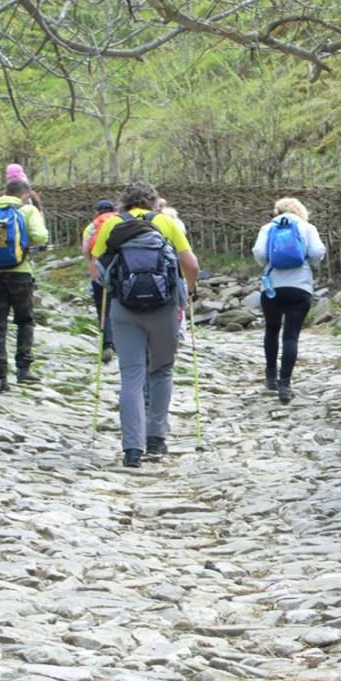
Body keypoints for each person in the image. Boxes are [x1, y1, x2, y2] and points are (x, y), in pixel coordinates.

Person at [91, 179, 199, 466]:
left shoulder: (112, 224)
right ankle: (156, 439)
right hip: (164, 308)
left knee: (132, 375)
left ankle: (132, 449)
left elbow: (96, 263)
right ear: (152, 201)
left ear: (124, 201)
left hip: (124, 309)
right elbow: (191, 264)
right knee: (161, 371)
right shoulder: (166, 222)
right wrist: (188, 291)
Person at [0, 168, 49, 392]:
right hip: (19, 270)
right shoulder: (26, 210)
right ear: (25, 194)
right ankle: (23, 369)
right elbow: (41, 237)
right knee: (24, 319)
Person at [252, 197, 328, 404]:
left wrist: (269, 262)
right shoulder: (307, 227)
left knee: (272, 329)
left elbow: (258, 253)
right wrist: (308, 263)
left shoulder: (268, 228)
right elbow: (317, 252)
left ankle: (270, 376)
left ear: (277, 211)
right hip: (299, 286)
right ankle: (285, 385)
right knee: (291, 336)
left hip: (272, 287)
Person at [83, 198, 122, 364]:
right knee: (119, 307)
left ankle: (106, 344)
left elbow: (85, 250)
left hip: (98, 271)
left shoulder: (92, 227)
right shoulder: (120, 222)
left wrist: (91, 265)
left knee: (103, 309)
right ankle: (120, 343)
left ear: (97, 212)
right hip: (119, 272)